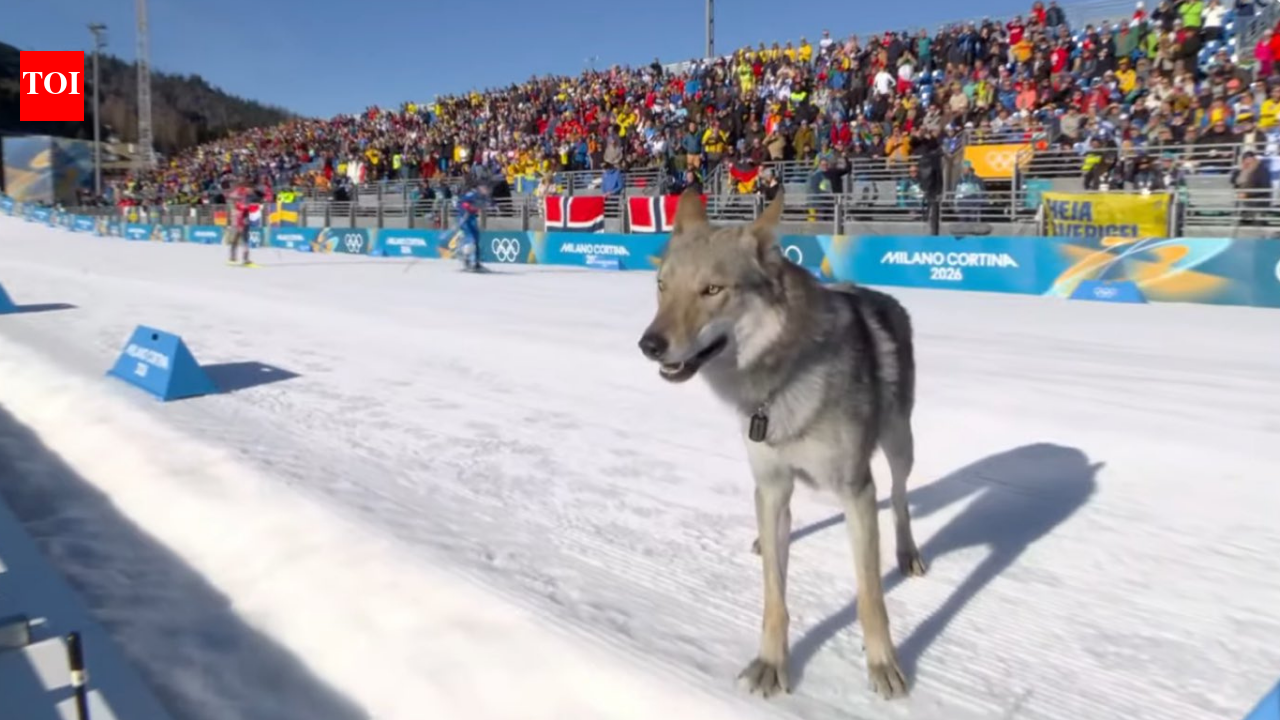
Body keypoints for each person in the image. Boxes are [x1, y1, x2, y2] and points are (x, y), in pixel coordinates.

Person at [454, 183, 491, 271]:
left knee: (476, 240)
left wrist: (491, 206)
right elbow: (463, 203)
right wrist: (468, 207)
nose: (487, 190)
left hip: (472, 218)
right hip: (464, 218)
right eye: (485, 187)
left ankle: (476, 263)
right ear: (480, 187)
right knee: (471, 240)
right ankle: (467, 260)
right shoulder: (472, 194)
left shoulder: (483, 197)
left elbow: (486, 204)